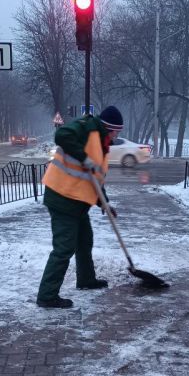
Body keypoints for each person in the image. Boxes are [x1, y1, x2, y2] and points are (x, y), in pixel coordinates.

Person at [36, 106, 123, 309]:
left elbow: (95, 179)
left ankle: (86, 279)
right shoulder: (87, 127)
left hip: (77, 201)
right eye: (117, 131)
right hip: (62, 197)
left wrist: (105, 203)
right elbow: (62, 135)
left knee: (85, 241)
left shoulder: (102, 144)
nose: (118, 135)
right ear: (109, 128)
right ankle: (47, 295)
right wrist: (83, 158)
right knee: (64, 248)